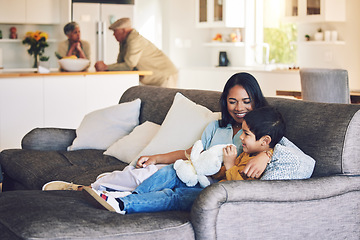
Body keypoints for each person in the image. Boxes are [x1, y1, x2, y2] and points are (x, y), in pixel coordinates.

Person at [43, 72, 270, 191]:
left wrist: (265, 155)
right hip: (189, 173)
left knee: (148, 180)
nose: (239, 108)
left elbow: (284, 148)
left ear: (255, 101)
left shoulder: (261, 132)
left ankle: (94, 187)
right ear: (225, 102)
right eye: (232, 102)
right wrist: (156, 158)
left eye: (246, 101)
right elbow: (191, 152)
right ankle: (88, 188)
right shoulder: (216, 126)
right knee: (146, 172)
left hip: (208, 185)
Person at [83, 105, 286, 214]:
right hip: (209, 185)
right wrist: (214, 168)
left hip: (220, 199)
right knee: (172, 171)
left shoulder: (255, 165)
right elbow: (222, 173)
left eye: (246, 134)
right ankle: (130, 196)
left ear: (265, 141)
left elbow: (238, 189)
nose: (241, 137)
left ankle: (125, 205)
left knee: (175, 195)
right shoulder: (246, 151)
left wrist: (231, 164)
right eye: (242, 133)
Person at [94, 18, 178, 88]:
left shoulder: (134, 40)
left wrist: (105, 67)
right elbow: (121, 64)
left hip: (165, 76)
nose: (113, 35)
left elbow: (128, 66)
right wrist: (107, 67)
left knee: (165, 106)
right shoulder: (124, 42)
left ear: (123, 31)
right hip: (156, 78)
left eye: (115, 31)